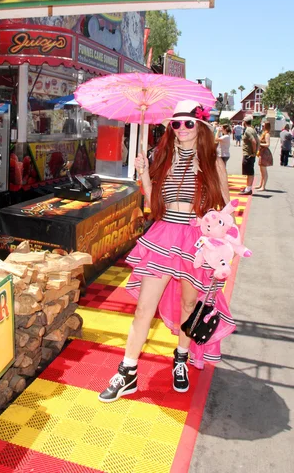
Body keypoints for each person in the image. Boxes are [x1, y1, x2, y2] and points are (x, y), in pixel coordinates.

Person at [98, 100, 234, 403]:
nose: (182, 128)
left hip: (194, 240)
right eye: (176, 123)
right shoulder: (162, 157)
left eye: (189, 123)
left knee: (189, 306)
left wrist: (217, 234)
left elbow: (227, 212)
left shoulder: (214, 162)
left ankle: (181, 359)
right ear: (170, 128)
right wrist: (144, 172)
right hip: (163, 236)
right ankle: (128, 371)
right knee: (144, 308)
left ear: (200, 126)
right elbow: (152, 200)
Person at [239, 116, 259, 196]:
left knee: (249, 172)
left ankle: (249, 189)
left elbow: (254, 141)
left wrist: (254, 152)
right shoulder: (252, 129)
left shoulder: (248, 130)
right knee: (249, 171)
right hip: (250, 154)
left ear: (244, 122)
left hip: (248, 154)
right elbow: (258, 140)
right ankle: (248, 187)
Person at [255, 121, 273, 190]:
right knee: (261, 170)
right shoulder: (263, 133)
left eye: (263, 126)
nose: (262, 127)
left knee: (264, 170)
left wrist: (260, 144)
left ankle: (263, 186)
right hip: (261, 152)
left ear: (266, 126)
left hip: (265, 152)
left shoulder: (267, 134)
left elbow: (268, 144)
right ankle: (260, 185)